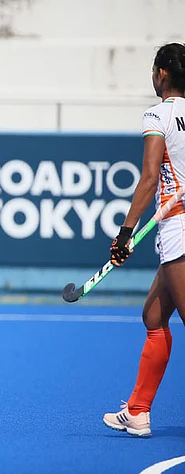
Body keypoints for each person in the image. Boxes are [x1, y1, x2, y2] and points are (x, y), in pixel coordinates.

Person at [103, 42, 185, 437]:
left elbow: (150, 178)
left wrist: (125, 232)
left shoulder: (158, 114)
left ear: (161, 74)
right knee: (154, 317)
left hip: (179, 229)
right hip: (177, 227)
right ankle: (137, 412)